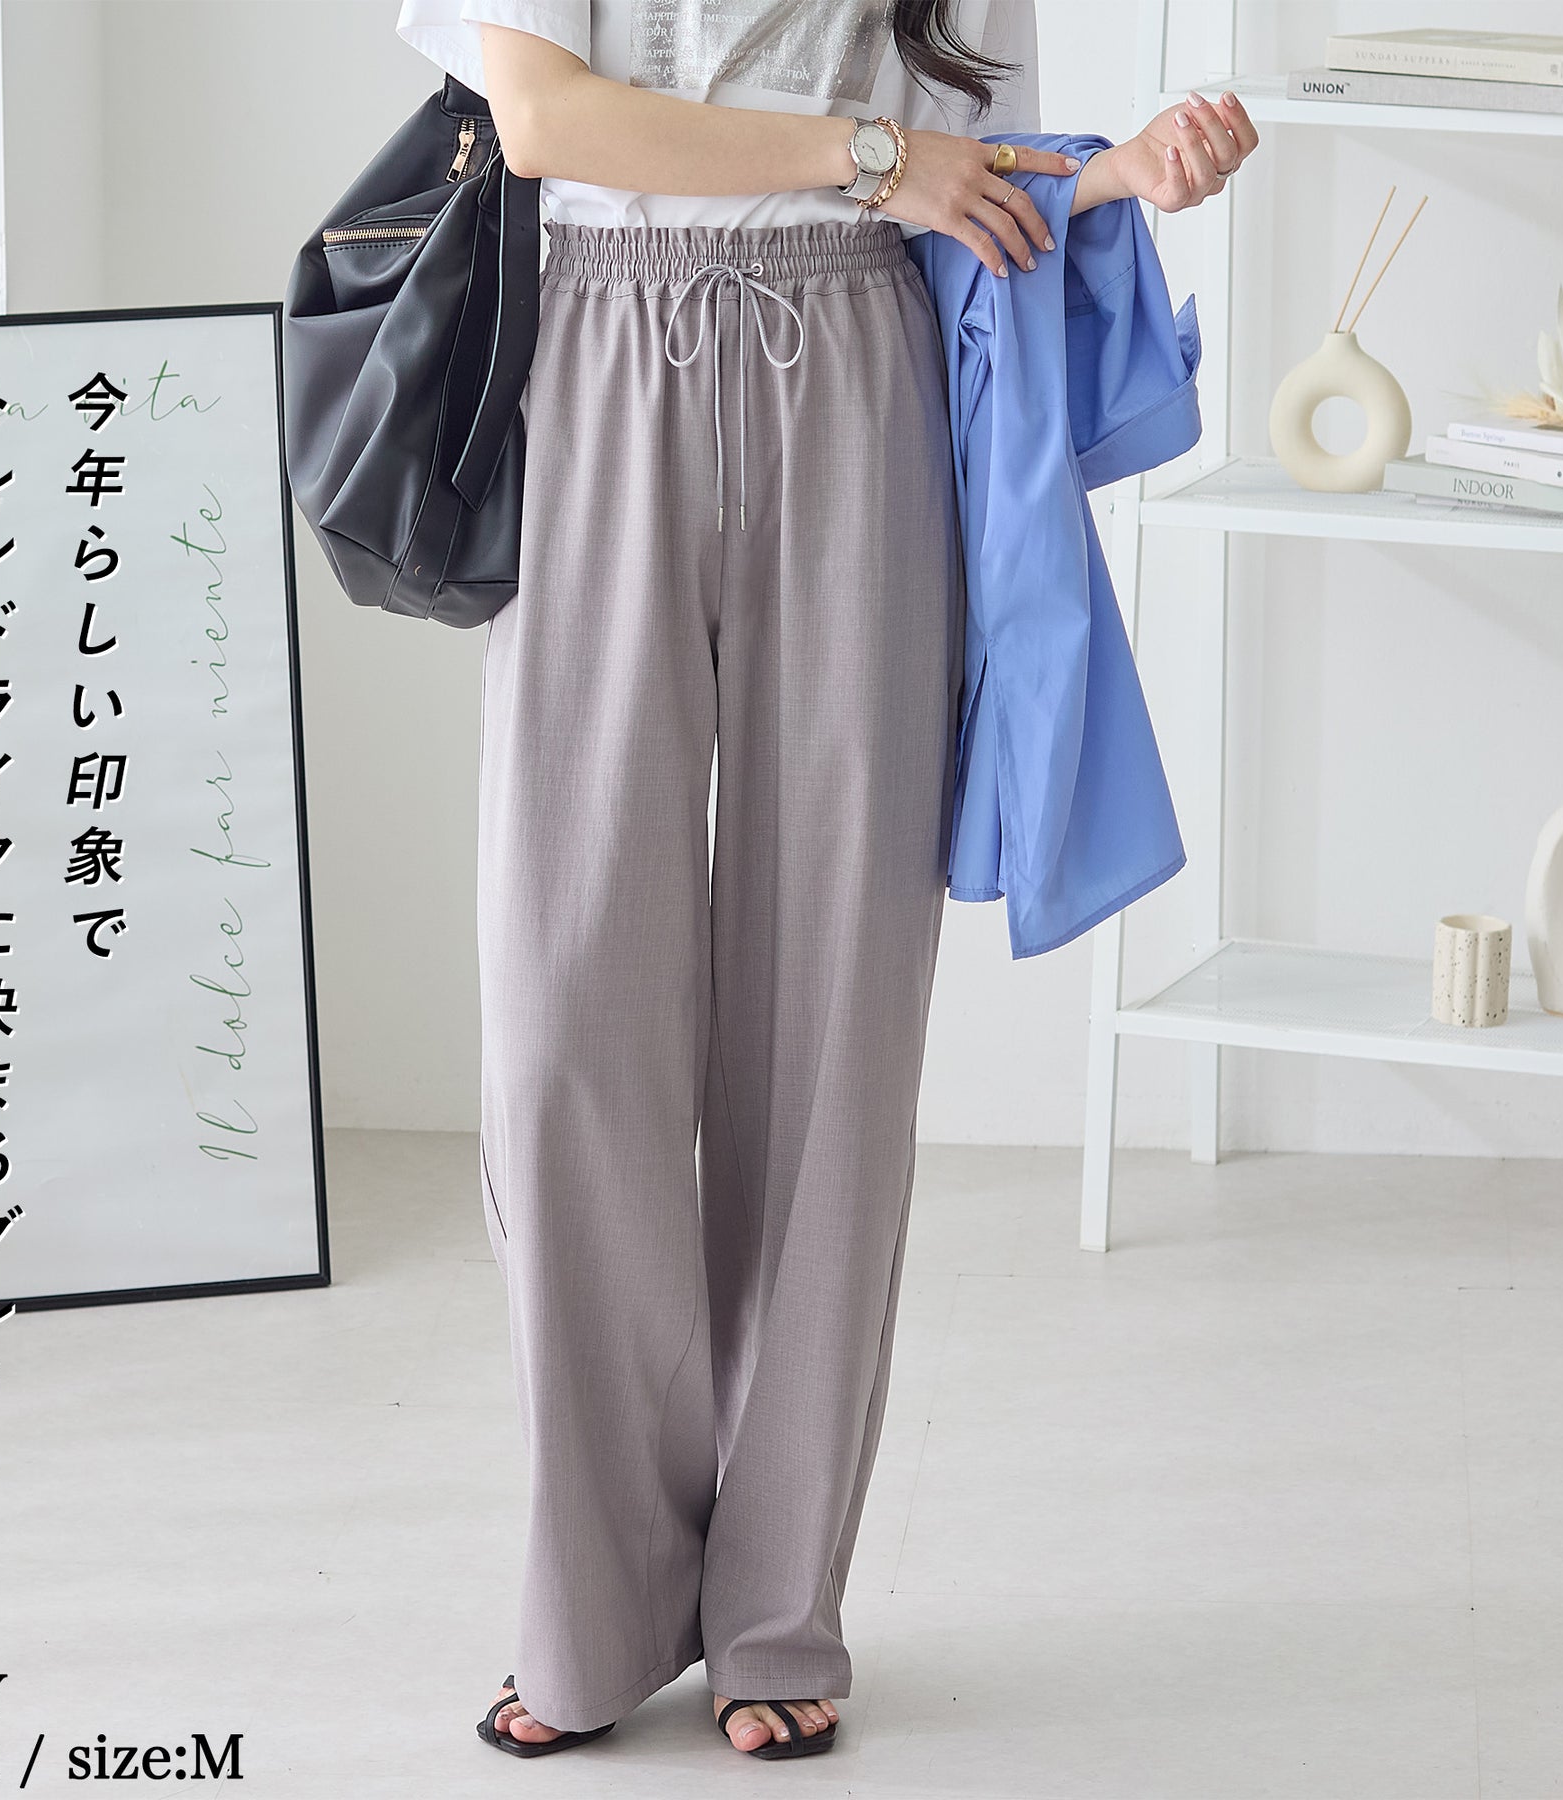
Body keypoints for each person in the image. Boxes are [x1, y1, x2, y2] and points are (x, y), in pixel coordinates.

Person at [392, 0, 1257, 1763]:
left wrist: (1115, 176)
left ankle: (777, 1606)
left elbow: (980, 169)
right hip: (601, 351)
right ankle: (593, 1604)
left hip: (862, 361)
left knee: (835, 1021)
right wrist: (878, 160)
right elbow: (547, 121)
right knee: (564, 1021)